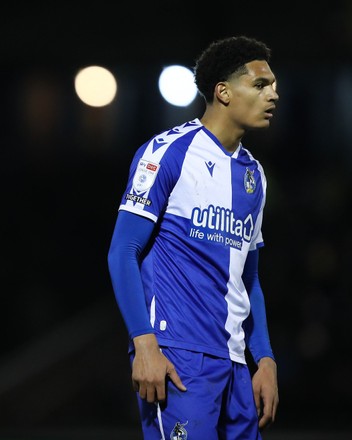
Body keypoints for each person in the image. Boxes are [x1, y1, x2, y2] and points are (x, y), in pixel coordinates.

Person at [108, 35, 279, 439]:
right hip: (179, 356)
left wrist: (266, 359)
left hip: (237, 363)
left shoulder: (255, 175)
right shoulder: (168, 152)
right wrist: (144, 344)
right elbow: (123, 252)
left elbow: (248, 278)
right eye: (260, 85)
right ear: (223, 92)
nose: (274, 94)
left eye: (273, 85)